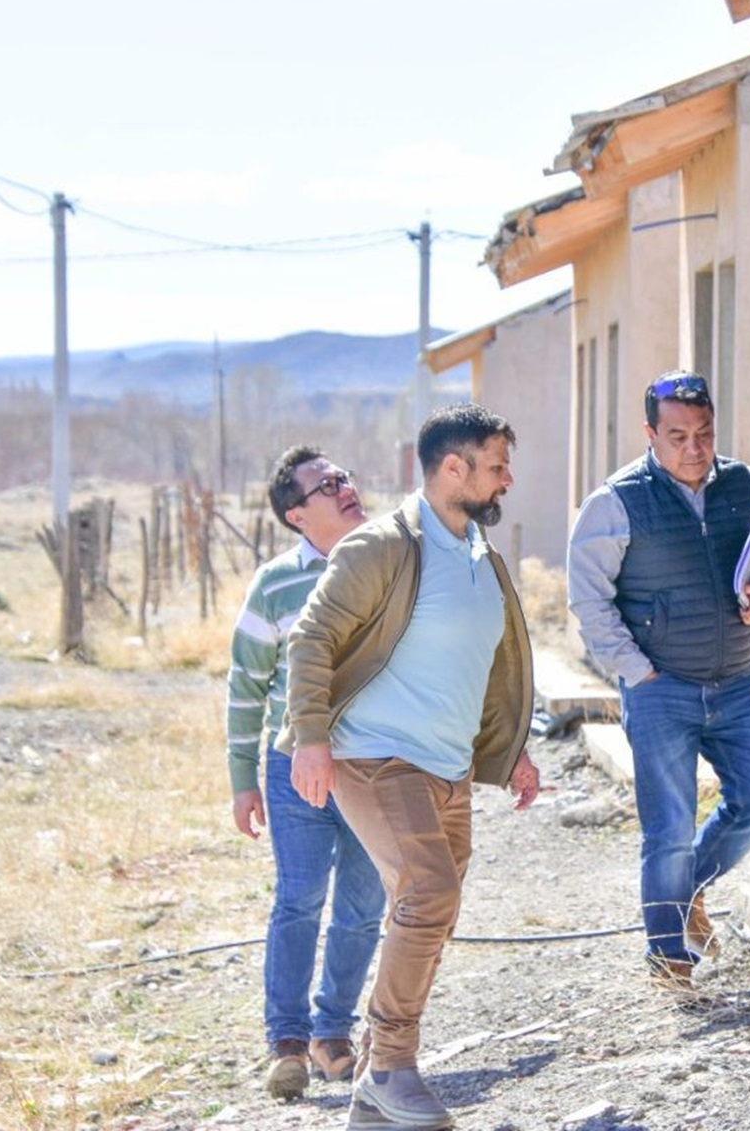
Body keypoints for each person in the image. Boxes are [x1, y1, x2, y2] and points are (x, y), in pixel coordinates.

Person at [285, 404, 542, 1131]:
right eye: (496, 465)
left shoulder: (478, 557)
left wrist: (510, 746)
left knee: (435, 907)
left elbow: (484, 665)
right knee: (427, 893)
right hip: (374, 754)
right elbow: (311, 642)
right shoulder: (380, 548)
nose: (507, 479)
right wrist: (309, 737)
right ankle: (392, 1064)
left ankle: (374, 1093)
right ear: (452, 469)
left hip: (447, 767)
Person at [566, 370, 750, 993]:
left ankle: (688, 890)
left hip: (737, 679)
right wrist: (638, 671)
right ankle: (668, 957)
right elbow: (589, 600)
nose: (694, 447)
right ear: (650, 435)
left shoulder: (744, 484)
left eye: (704, 433)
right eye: (678, 435)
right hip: (662, 686)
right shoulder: (616, 501)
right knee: (667, 828)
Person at [226, 447, 386, 1100]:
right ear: (297, 513)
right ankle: (288, 1044)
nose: (346, 487)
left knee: (365, 901)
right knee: (299, 896)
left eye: (344, 476)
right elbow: (246, 683)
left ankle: (331, 1033)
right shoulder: (274, 585)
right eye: (327, 486)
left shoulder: (389, 565)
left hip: (377, 765)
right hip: (295, 765)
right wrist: (242, 776)